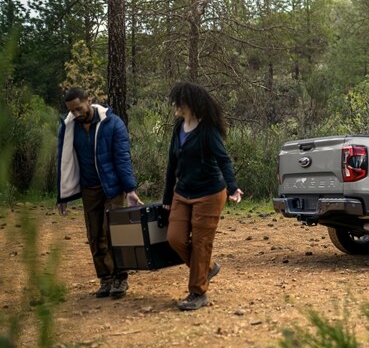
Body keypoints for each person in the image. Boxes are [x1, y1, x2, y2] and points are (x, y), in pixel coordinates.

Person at [162, 81, 243, 311]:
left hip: (209, 193)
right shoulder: (178, 127)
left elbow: (223, 159)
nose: (175, 105)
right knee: (174, 238)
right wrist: (168, 197)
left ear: (189, 102)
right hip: (183, 192)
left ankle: (198, 293)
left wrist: (233, 187)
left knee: (200, 242)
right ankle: (206, 267)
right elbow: (172, 163)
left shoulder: (207, 129)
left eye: (178, 101)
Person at [56, 87, 143, 299]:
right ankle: (105, 278)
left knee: (113, 231)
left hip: (112, 188)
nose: (76, 114)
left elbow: (122, 159)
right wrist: (62, 194)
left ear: (89, 100)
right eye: (72, 111)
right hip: (89, 188)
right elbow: (64, 161)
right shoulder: (69, 127)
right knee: (94, 235)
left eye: (79, 108)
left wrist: (129, 189)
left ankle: (120, 278)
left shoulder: (113, 124)